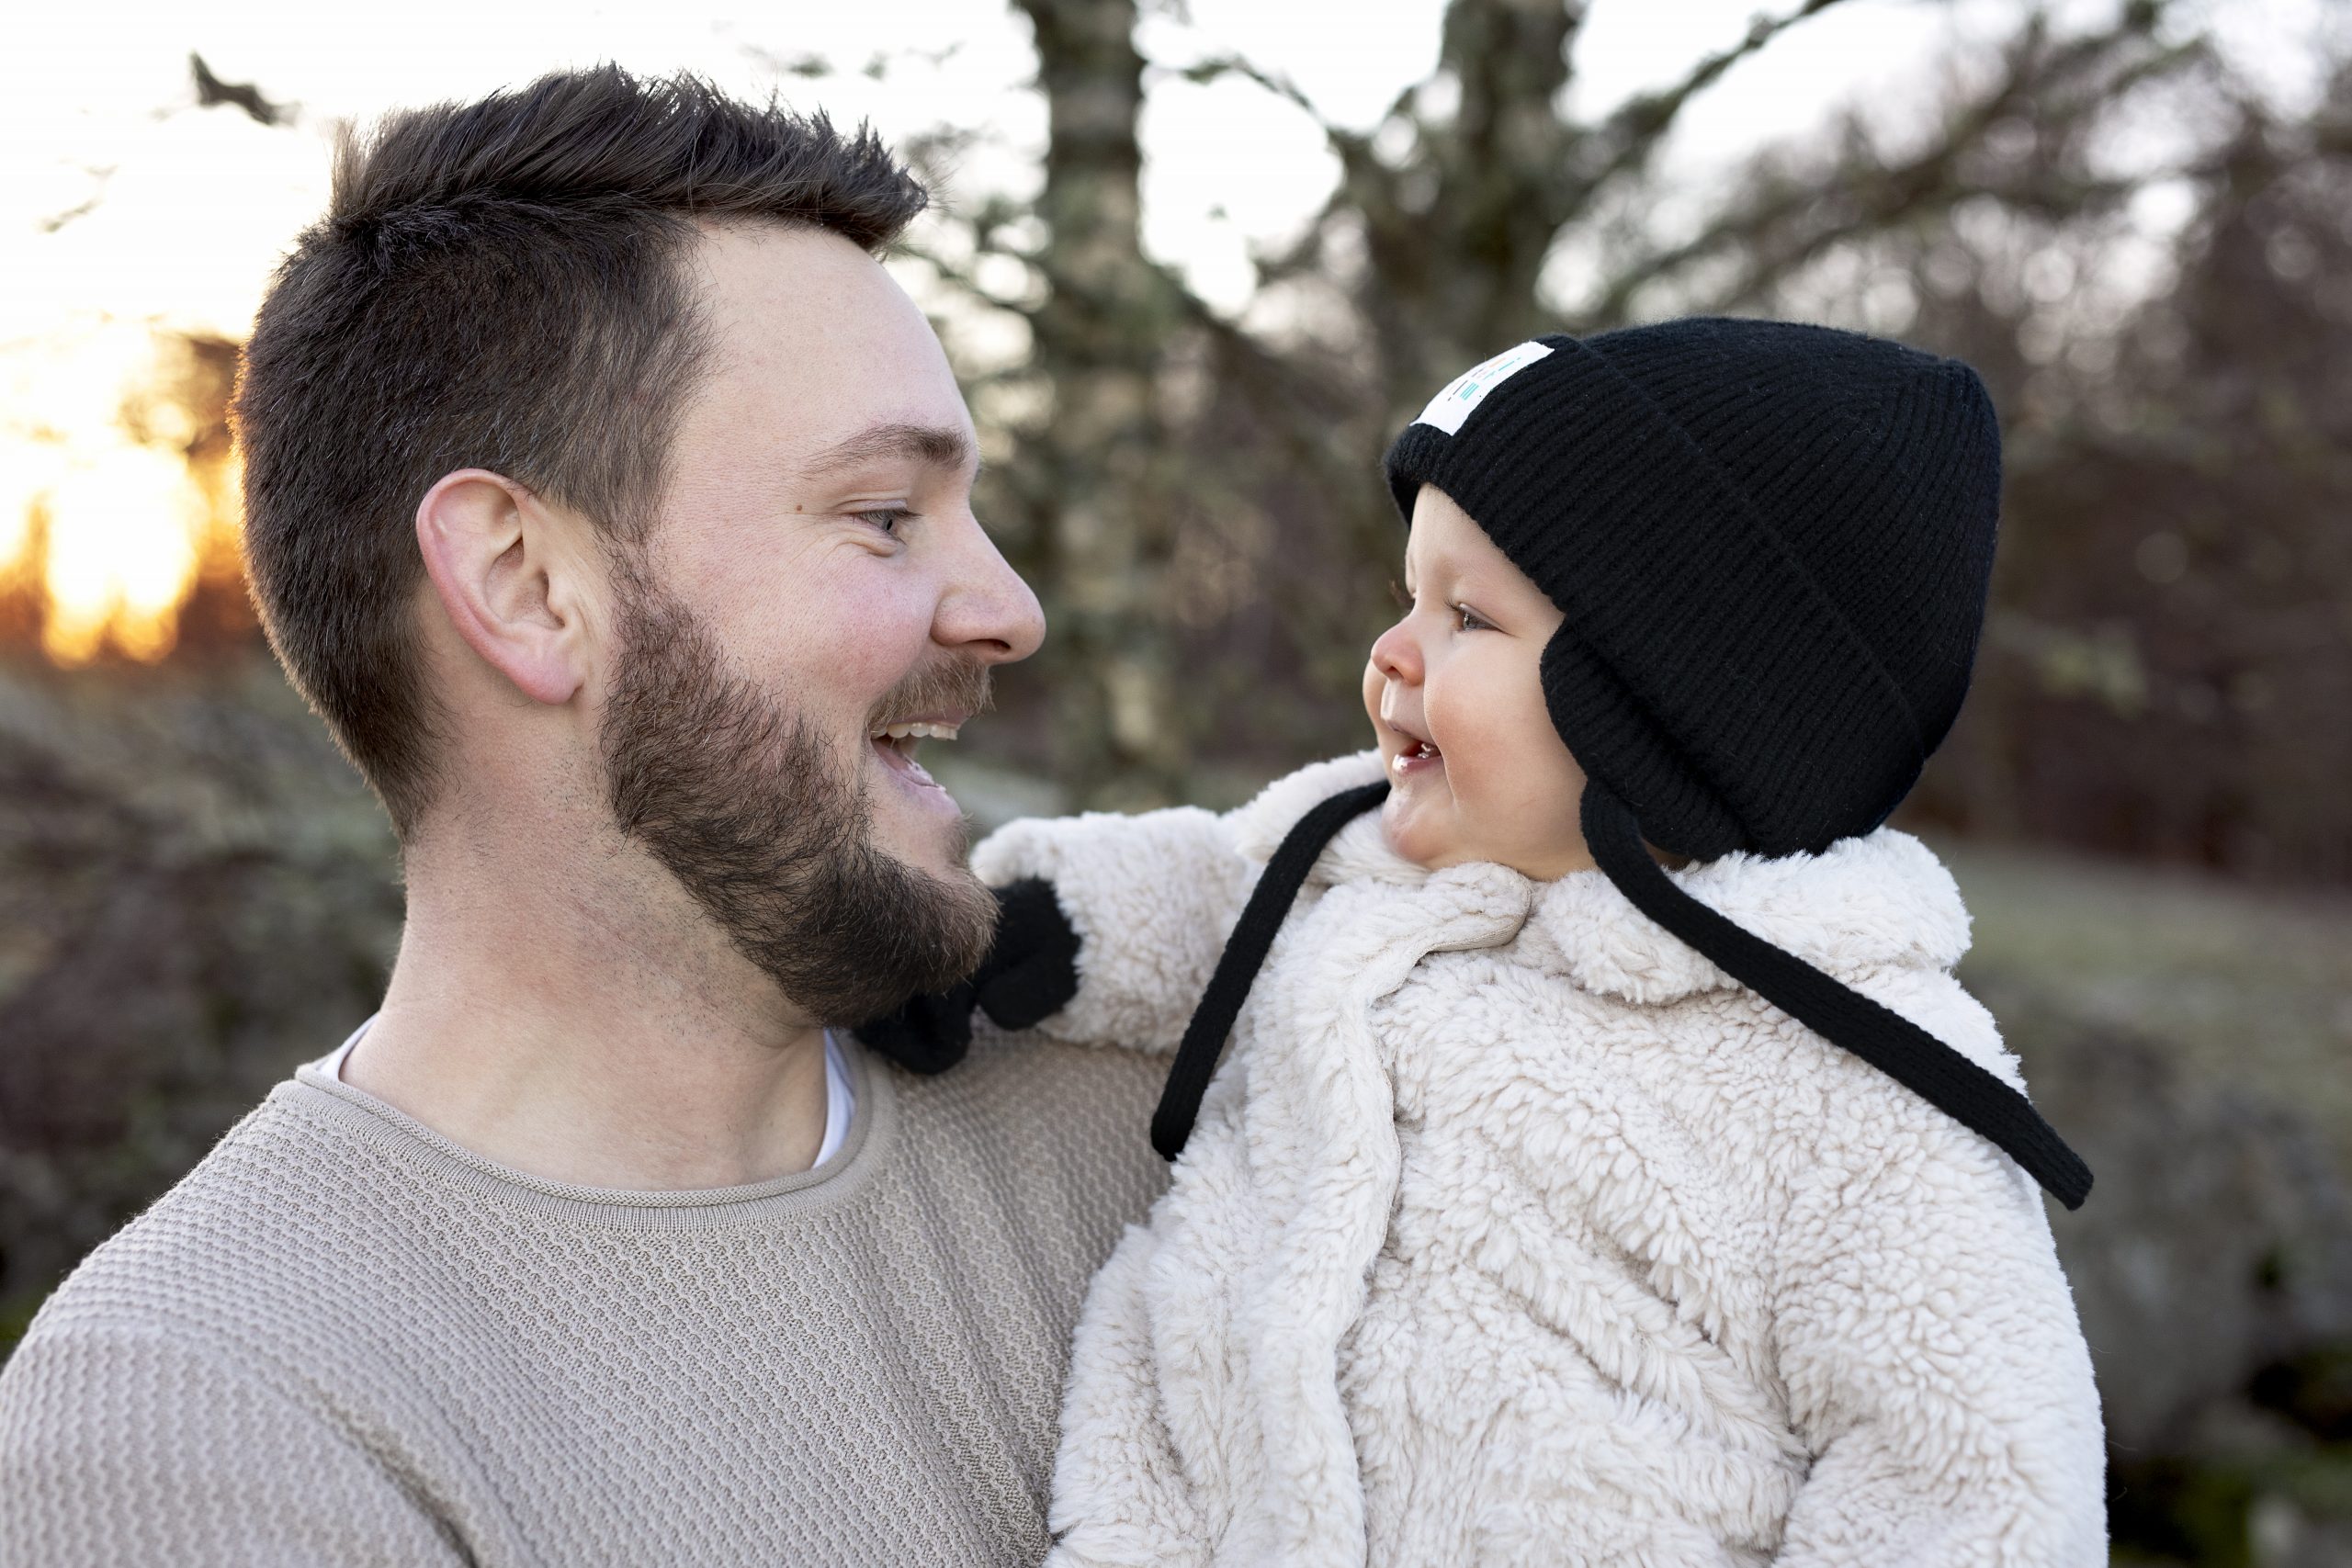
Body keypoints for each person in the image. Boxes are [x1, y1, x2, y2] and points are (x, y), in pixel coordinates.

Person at [0, 68, 1170, 1566]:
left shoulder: (1161, 1122)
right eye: (886, 513)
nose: (1009, 608)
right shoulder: (209, 1409)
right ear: (524, 586)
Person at [910, 321, 2108, 1564]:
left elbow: (1978, 1490)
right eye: (1407, 599)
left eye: (1469, 616)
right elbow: (1219, 886)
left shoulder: (1864, 1093)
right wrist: (1019, 930)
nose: (1392, 653)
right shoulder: (1374, 855)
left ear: (1667, 709)